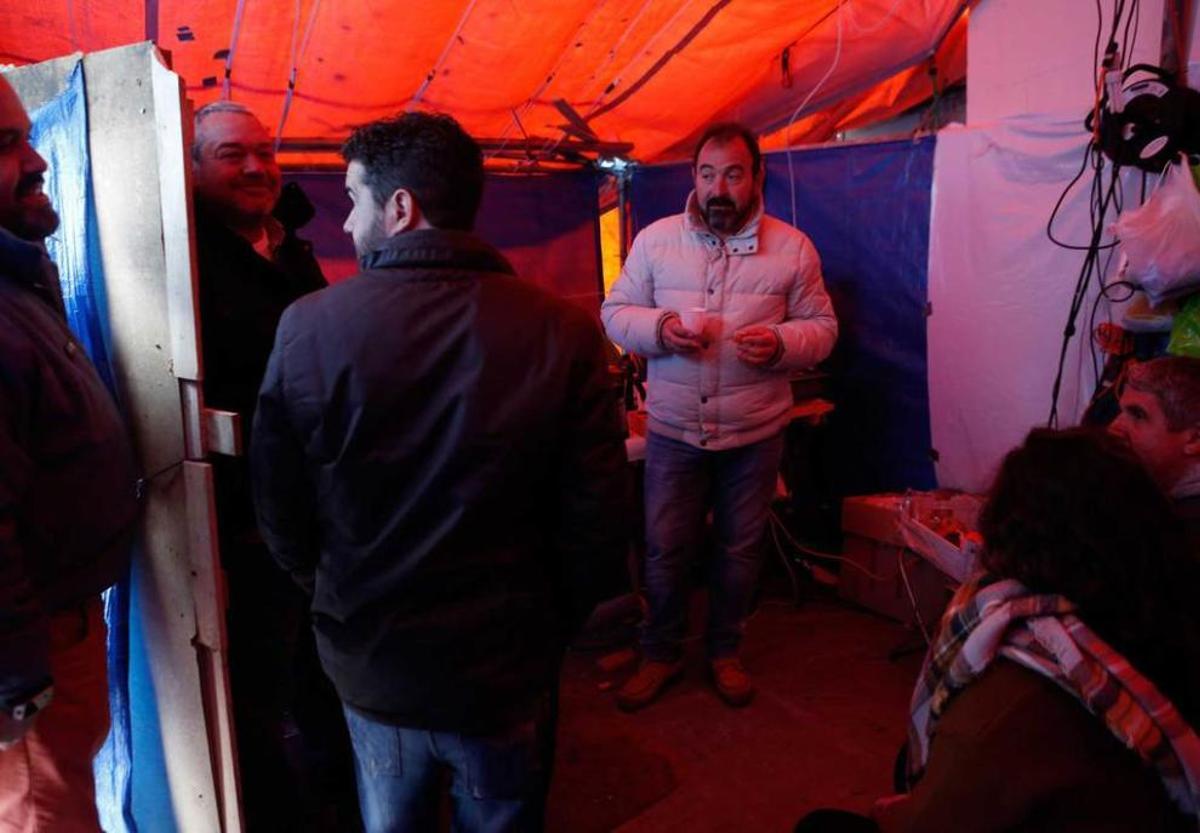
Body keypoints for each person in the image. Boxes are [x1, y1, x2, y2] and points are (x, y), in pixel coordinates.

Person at [250, 111, 629, 833]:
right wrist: (551, 625)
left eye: (354, 200)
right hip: (509, 664)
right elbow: (599, 517)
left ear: (401, 207)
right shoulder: (564, 331)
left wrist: (336, 597)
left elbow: (279, 507)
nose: (347, 221)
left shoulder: (309, 326)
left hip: (377, 659)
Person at [798, 429, 1200, 832]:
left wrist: (894, 814)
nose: (1120, 425)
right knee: (907, 759)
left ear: (1008, 531)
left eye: (1138, 414)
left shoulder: (1014, 694)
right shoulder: (1159, 609)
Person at [601, 121, 837, 710]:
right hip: (674, 429)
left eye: (733, 174)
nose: (718, 188)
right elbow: (615, 310)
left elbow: (823, 328)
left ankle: (725, 652)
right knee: (665, 548)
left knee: (738, 549)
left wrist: (781, 343)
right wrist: (661, 329)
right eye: (707, 174)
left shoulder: (793, 248)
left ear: (757, 176)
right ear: (694, 177)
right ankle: (660, 653)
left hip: (754, 432)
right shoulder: (657, 240)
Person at [191, 101, 350, 830]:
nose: (256, 167)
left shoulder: (292, 247)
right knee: (258, 683)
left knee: (324, 666)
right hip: (242, 519)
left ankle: (340, 798)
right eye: (232, 154)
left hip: (321, 504)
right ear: (193, 167)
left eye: (265, 152)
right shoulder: (188, 259)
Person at [0, 72, 139, 829]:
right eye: (4, 145)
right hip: (29, 656)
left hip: (57, 634)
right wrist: (16, 685)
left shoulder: (16, 281)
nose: (38, 161)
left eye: (27, 137)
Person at [1108, 355, 1200, 545]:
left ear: (1194, 439)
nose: (1114, 426)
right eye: (1121, 412)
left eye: (1138, 415)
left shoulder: (1180, 539)